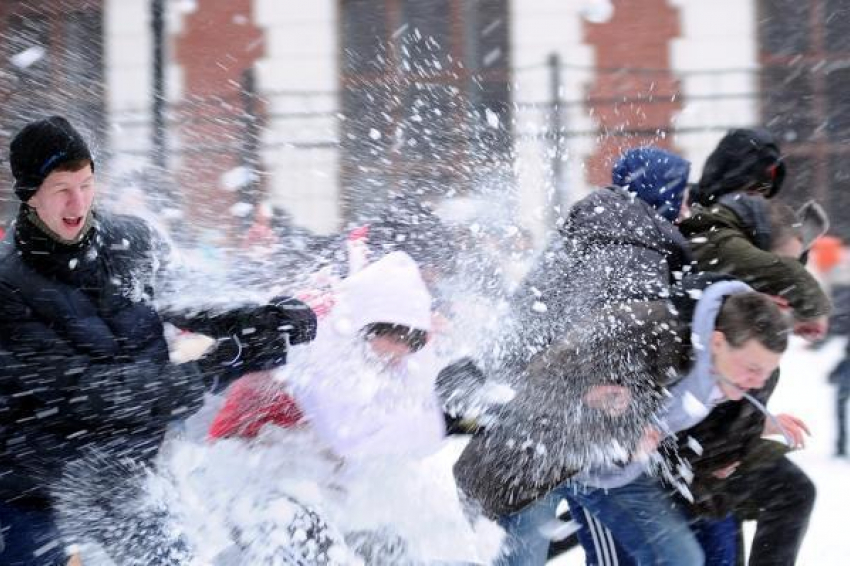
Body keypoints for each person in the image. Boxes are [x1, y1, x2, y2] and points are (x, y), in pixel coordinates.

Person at [0, 116, 318, 565]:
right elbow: (95, 394)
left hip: (123, 482)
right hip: (32, 496)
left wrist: (264, 316)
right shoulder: (9, 287)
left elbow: (196, 296)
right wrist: (217, 365)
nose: (79, 201)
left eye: (87, 183)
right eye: (62, 189)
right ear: (30, 194)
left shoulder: (130, 241)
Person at [452, 146, 693, 563]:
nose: (687, 209)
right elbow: (620, 336)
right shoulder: (644, 247)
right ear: (663, 191)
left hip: (534, 424)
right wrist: (619, 395)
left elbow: (529, 310)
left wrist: (493, 371)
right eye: (683, 194)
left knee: (521, 548)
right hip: (577, 427)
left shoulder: (587, 226)